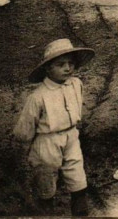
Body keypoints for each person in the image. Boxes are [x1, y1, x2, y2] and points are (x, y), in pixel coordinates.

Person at [13, 39, 94, 216]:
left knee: (78, 178)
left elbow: (76, 106)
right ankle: (46, 210)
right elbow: (24, 129)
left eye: (71, 63)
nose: (67, 68)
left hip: (71, 136)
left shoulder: (76, 84)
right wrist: (27, 145)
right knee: (46, 180)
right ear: (48, 68)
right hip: (47, 142)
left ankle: (80, 211)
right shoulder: (38, 96)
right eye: (61, 64)